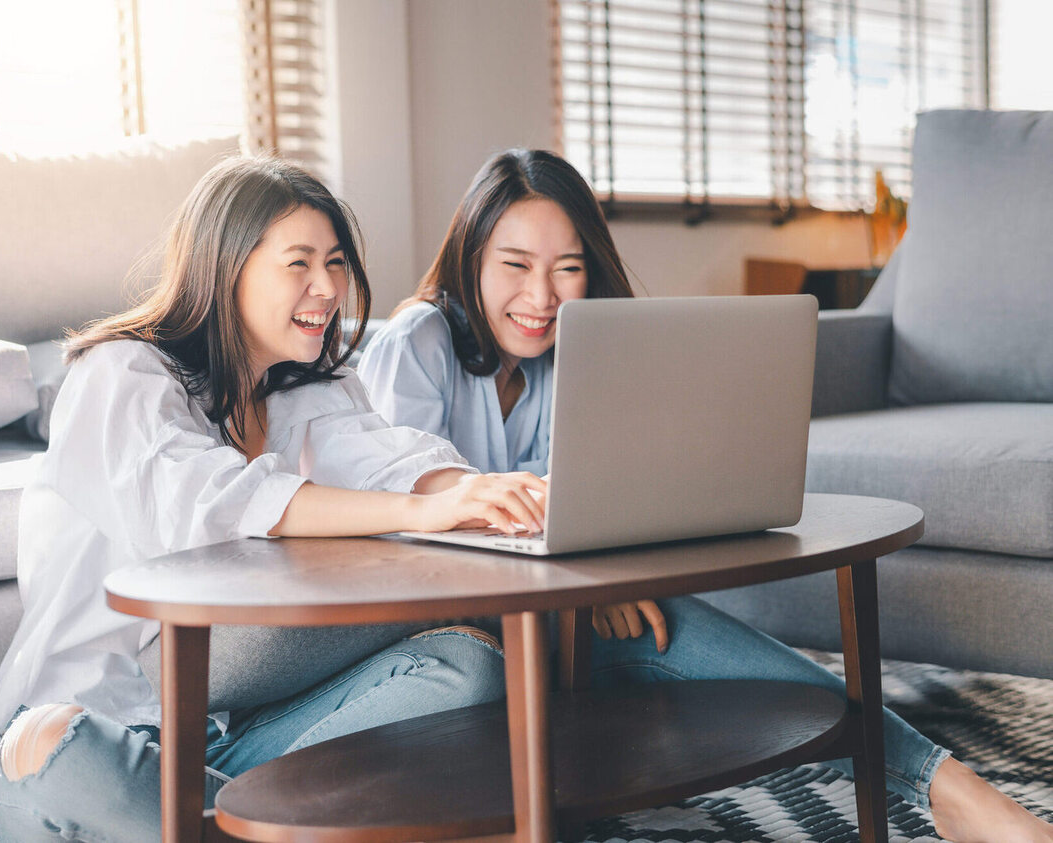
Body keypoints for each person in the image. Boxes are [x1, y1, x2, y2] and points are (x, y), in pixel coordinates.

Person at [357, 148, 1053, 843]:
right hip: (458, 640)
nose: (541, 297)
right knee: (676, 640)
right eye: (514, 265)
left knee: (703, 638)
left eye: (566, 268)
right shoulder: (417, 341)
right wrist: (579, 583)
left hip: (559, 618)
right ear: (469, 258)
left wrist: (597, 574)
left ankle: (948, 788)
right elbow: (417, 522)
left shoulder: (579, 348)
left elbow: (593, 502)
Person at [0, 156, 548, 841]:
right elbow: (207, 502)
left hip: (230, 743)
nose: (327, 287)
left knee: (467, 666)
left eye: (336, 263)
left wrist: (474, 493)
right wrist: (419, 513)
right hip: (98, 729)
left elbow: (385, 456)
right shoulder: (120, 371)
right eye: (298, 263)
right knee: (54, 749)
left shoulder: (309, 384)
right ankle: (274, 825)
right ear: (226, 268)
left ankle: (237, 826)